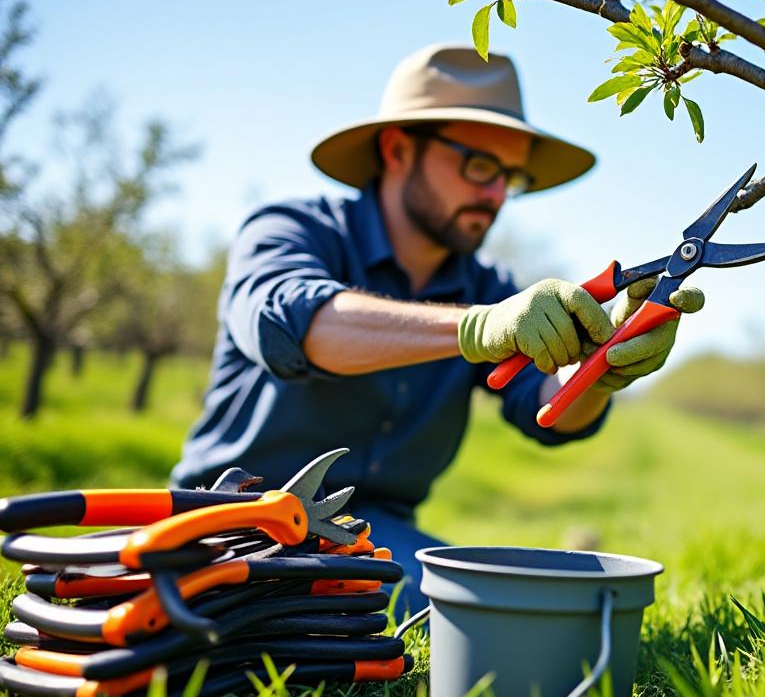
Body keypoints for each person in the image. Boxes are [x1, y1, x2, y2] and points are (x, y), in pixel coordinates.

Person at [169, 44, 702, 614]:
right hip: (230, 520)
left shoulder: (487, 286)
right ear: (398, 149)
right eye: (479, 166)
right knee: (473, 615)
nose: (496, 195)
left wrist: (602, 367)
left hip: (373, 538)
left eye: (511, 177)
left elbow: (545, 408)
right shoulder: (290, 232)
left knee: (493, 609)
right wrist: (476, 328)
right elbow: (297, 327)